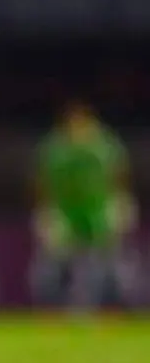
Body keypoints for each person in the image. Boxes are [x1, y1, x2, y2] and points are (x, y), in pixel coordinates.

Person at [31, 99, 135, 308]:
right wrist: (45, 209)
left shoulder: (104, 145)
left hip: (98, 211)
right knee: (52, 263)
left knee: (105, 264)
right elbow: (41, 180)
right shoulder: (56, 148)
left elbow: (120, 173)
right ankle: (47, 307)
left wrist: (120, 203)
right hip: (65, 213)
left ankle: (113, 308)